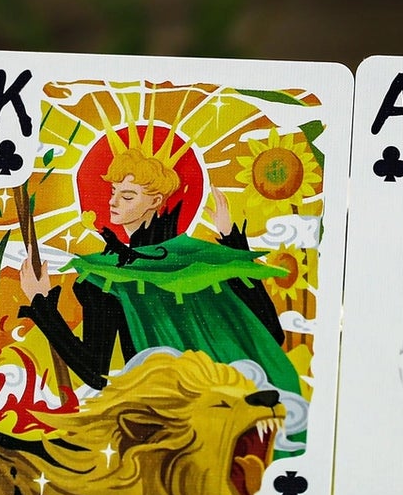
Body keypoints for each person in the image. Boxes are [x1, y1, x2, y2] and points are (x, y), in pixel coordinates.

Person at [17, 137, 301, 407]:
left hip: (196, 411)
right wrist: (231, 245)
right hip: (209, 409)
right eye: (113, 192)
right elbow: (271, 333)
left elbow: (95, 373)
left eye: (127, 196)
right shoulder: (189, 265)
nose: (113, 202)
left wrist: (42, 306)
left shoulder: (118, 276)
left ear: (155, 202)